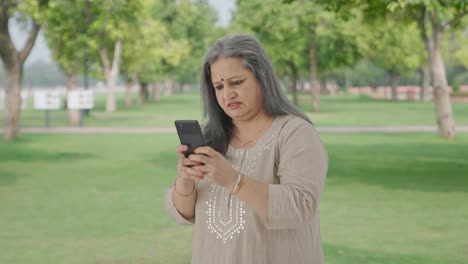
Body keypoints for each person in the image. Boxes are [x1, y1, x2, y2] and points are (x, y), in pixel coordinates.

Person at [164, 34, 328, 264]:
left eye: (236, 82)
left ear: (262, 78)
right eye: (218, 86)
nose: (227, 94)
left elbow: (300, 206)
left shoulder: (295, 133)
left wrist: (233, 180)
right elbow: (184, 214)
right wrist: (185, 180)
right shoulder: (210, 137)